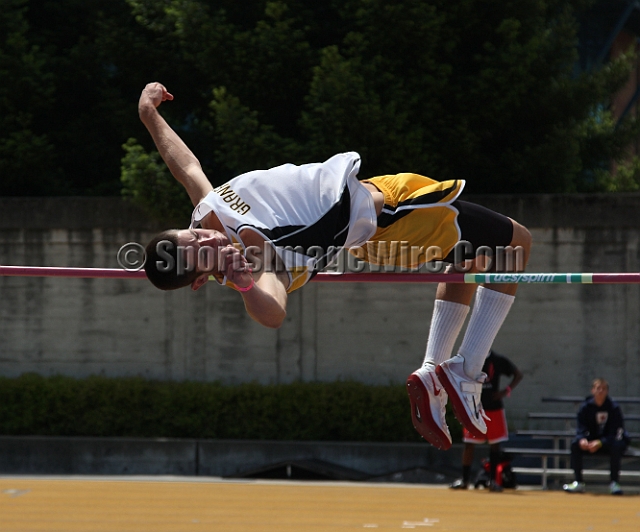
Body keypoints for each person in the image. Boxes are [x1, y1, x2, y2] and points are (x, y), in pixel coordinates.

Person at [138, 82, 532, 448]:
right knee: (516, 244)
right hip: (396, 215)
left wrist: (148, 115)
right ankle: (468, 370)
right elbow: (272, 313)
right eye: (202, 254)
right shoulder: (260, 261)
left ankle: (434, 372)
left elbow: (186, 167)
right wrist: (245, 284)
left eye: (192, 236)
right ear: (200, 280)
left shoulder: (205, 212)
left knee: (467, 260)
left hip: (378, 222)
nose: (207, 239)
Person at [449, 350, 523, 491]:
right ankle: (465, 480)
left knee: (495, 445)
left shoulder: (497, 359)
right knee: (469, 444)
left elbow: (518, 375)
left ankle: (493, 481)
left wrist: (505, 391)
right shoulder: (469, 359)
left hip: (494, 409)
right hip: (474, 408)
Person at [563, 378, 630, 495]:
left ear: (607, 392)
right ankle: (578, 482)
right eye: (598, 388)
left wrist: (600, 442)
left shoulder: (614, 408)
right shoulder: (585, 407)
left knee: (617, 446)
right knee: (575, 445)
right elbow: (581, 428)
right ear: (592, 390)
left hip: (608, 442)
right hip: (591, 442)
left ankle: (614, 483)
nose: (601, 391)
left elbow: (616, 432)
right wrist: (582, 439)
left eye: (604, 389)